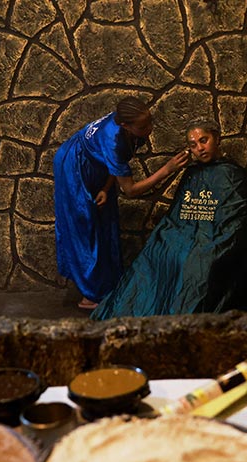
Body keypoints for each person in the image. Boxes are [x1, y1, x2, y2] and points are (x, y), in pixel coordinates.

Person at [91, 118, 247, 319]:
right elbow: (179, 214)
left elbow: (241, 218)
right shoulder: (192, 174)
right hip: (188, 234)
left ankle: (184, 314)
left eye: (204, 140)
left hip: (219, 239)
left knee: (197, 262)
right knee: (158, 252)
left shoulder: (232, 175)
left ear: (217, 138)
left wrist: (210, 239)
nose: (200, 148)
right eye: (193, 145)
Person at [54, 96, 189, 310]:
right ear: (125, 125)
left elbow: (113, 164)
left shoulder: (125, 130)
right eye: (143, 127)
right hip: (73, 165)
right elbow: (130, 190)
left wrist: (106, 189)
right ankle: (90, 294)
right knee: (84, 225)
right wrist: (167, 169)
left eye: (150, 122)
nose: (149, 129)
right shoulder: (114, 139)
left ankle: (107, 284)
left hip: (95, 166)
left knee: (105, 219)